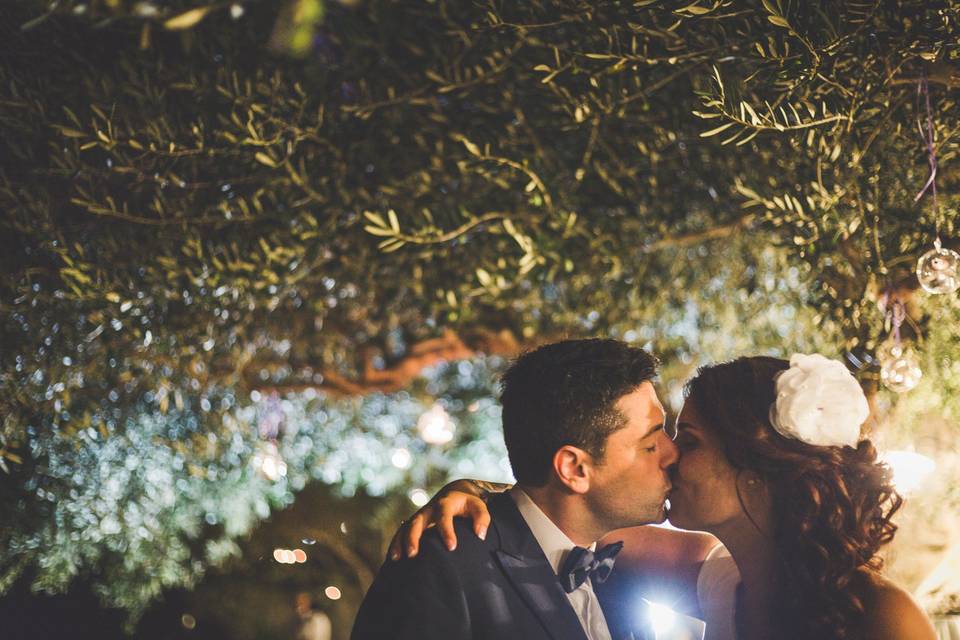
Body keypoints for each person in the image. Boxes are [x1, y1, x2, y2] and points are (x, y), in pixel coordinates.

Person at [392, 354, 937, 640]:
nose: (671, 454)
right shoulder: (720, 581)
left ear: (755, 476)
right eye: (661, 440)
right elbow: (554, 518)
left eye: (689, 440)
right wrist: (470, 492)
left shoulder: (883, 616)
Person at [351, 338, 679, 640]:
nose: (673, 453)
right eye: (651, 443)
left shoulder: (620, 566)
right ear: (575, 469)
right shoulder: (441, 566)